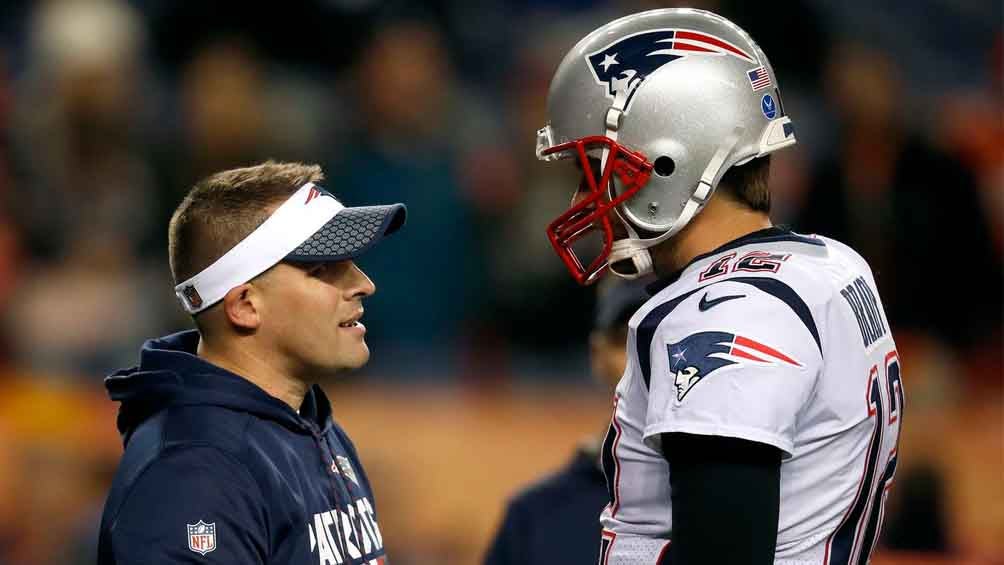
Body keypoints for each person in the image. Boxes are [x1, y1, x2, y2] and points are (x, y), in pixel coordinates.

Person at [534, 9, 904, 565]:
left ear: (667, 162)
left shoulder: (724, 311)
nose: (586, 198)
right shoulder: (830, 264)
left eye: (601, 168)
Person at [97, 161, 405, 564]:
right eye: (323, 269)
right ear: (244, 306)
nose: (363, 284)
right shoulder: (193, 475)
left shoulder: (310, 426)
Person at [484, 278, 650, 565]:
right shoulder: (535, 519)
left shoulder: (732, 490)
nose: (648, 356)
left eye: (662, 334)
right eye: (626, 339)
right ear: (597, 355)